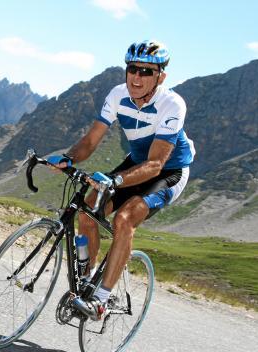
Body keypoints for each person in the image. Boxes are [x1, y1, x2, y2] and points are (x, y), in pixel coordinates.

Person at [48, 40, 195, 320]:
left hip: (168, 171)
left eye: (146, 71)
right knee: (88, 211)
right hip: (136, 163)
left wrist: (114, 180)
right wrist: (69, 158)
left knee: (124, 219)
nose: (137, 77)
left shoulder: (172, 104)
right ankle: (88, 283)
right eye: (132, 69)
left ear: (160, 77)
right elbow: (91, 140)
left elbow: (155, 164)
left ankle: (101, 300)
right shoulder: (117, 95)